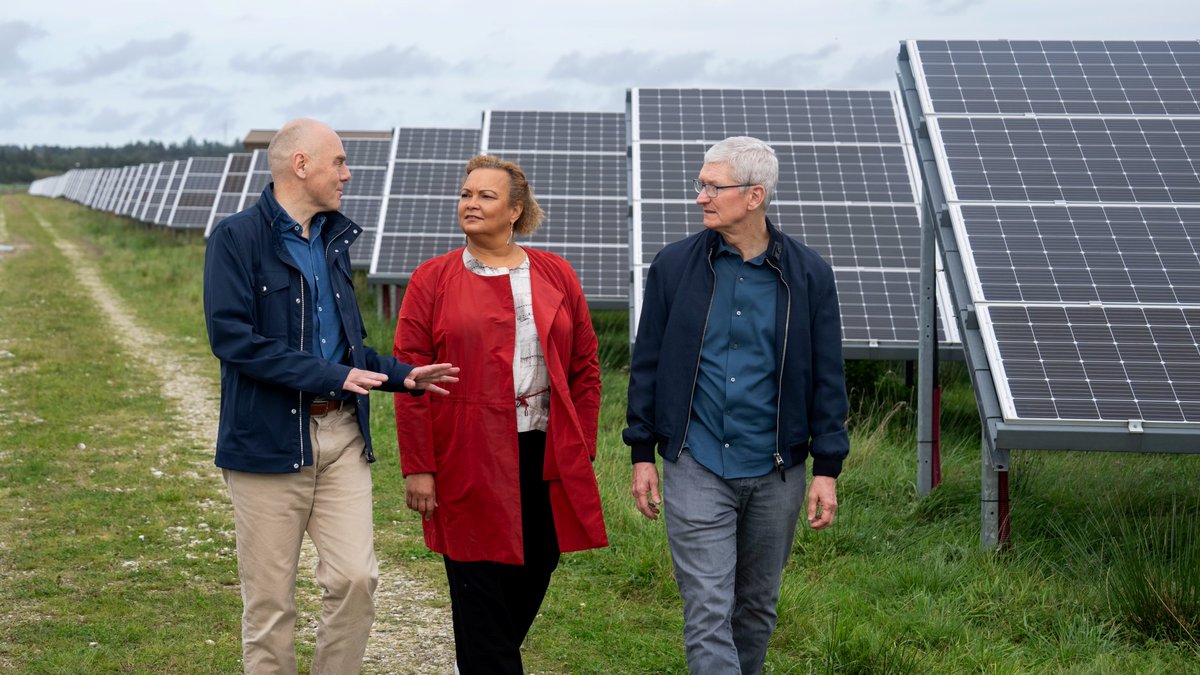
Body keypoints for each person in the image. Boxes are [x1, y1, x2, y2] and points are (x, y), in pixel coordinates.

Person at [203, 118, 460, 675]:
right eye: (339, 162)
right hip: (268, 443)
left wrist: (403, 375)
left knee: (356, 579)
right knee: (271, 604)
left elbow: (349, 349)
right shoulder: (237, 238)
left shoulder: (334, 240)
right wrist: (328, 375)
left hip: (342, 436)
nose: (348, 173)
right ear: (301, 165)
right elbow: (233, 339)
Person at [624, 136, 850, 674]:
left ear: (754, 196)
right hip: (696, 462)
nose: (699, 196)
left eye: (712, 186)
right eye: (700, 184)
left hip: (777, 470)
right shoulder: (674, 267)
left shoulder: (809, 275)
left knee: (755, 609)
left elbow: (826, 377)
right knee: (707, 608)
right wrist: (641, 452)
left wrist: (828, 469)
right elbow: (648, 364)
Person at [393, 154, 608, 674]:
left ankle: (488, 659)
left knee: (537, 565)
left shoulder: (556, 272)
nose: (470, 202)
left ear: (515, 210)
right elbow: (409, 379)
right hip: (465, 451)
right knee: (477, 583)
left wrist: (580, 449)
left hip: (543, 451)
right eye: (466, 194)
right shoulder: (432, 279)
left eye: (485, 196)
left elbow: (585, 370)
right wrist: (419, 466)